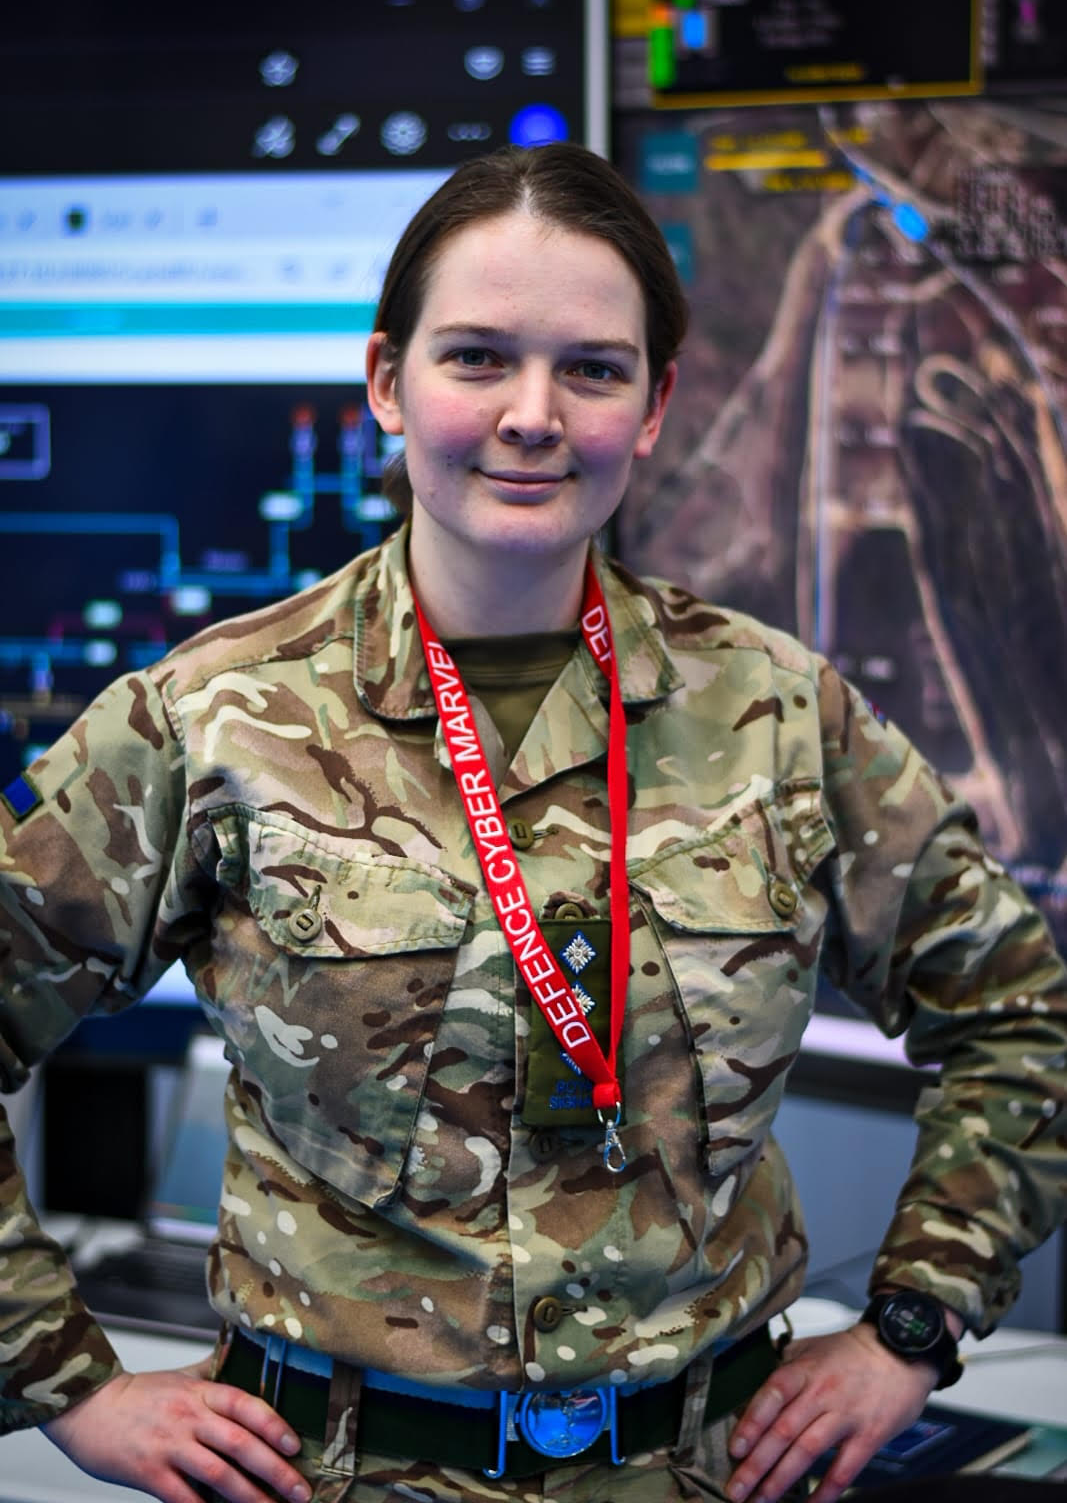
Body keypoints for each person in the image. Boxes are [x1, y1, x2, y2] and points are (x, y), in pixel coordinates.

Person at [1, 141, 1064, 1503]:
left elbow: (1024, 1013)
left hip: (706, 1472)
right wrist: (67, 1384)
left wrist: (914, 1328)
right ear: (387, 380)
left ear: (659, 401)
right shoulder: (213, 719)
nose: (532, 414)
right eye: (478, 358)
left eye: (594, 369)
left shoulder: (783, 715)